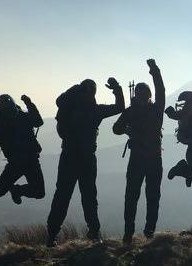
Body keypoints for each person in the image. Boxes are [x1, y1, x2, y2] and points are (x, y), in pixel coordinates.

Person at [46, 77, 125, 247]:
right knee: (88, 197)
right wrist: (116, 89)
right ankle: (94, 233)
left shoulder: (69, 108)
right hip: (87, 159)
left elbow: (60, 104)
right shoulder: (95, 111)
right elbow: (119, 107)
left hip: (68, 156)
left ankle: (52, 235)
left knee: (63, 196)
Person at [112, 59, 165, 245]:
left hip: (139, 159)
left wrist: (127, 130)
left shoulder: (131, 111)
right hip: (152, 158)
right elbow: (161, 91)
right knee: (150, 196)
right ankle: (146, 231)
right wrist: (155, 71)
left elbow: (116, 128)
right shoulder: (156, 109)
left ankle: (131, 233)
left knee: (134, 196)